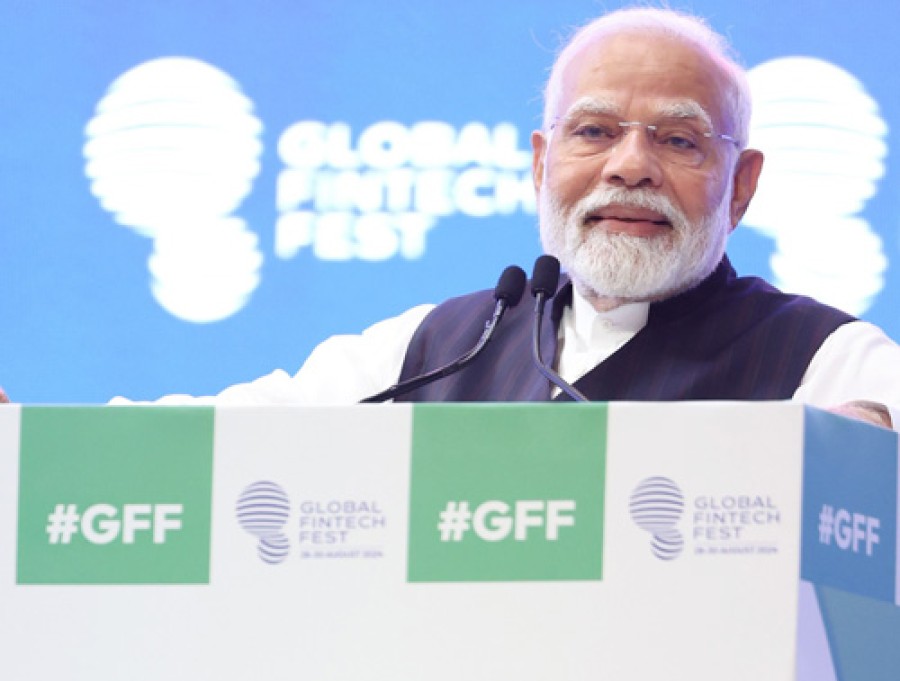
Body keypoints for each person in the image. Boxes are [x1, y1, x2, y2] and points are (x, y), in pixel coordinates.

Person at [5, 7, 897, 422]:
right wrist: (25, 443)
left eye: (678, 139)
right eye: (594, 132)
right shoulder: (443, 348)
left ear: (740, 186)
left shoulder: (828, 361)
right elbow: (223, 434)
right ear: (542, 166)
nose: (630, 165)